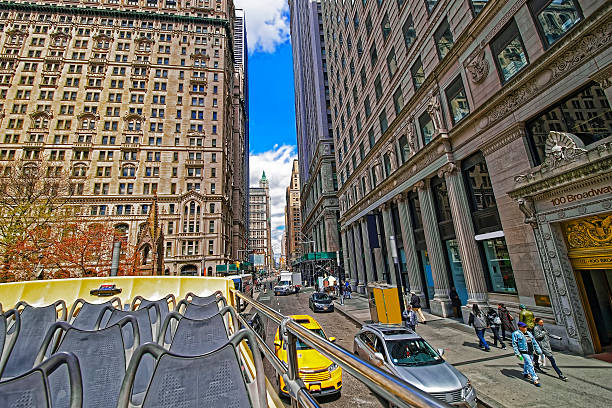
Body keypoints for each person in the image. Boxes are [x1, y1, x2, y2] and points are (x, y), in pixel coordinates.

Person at [512, 321, 543, 387]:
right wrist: (517, 353)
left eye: (526, 326)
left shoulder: (529, 333)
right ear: (520, 327)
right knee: (530, 364)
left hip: (530, 350)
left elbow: (534, 341)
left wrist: (538, 350)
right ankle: (535, 379)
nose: (525, 328)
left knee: (528, 363)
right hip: (523, 351)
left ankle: (526, 373)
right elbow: (514, 344)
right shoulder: (516, 334)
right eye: (524, 327)